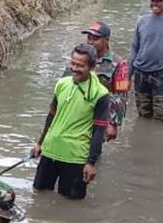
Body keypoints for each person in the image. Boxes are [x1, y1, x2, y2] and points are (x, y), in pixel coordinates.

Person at [31, 44, 111, 200]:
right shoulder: (62, 84)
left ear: (92, 67)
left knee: (71, 202)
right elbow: (51, 116)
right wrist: (40, 144)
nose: (74, 68)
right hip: (50, 150)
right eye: (73, 63)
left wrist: (91, 163)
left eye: (80, 66)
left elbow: (99, 131)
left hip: (76, 157)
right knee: (39, 195)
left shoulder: (100, 94)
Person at [79, 21, 130, 139]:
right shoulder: (80, 57)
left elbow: (120, 95)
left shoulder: (119, 63)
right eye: (89, 37)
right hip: (77, 111)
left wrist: (113, 123)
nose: (90, 42)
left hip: (99, 115)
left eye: (95, 38)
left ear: (106, 40)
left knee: (91, 147)